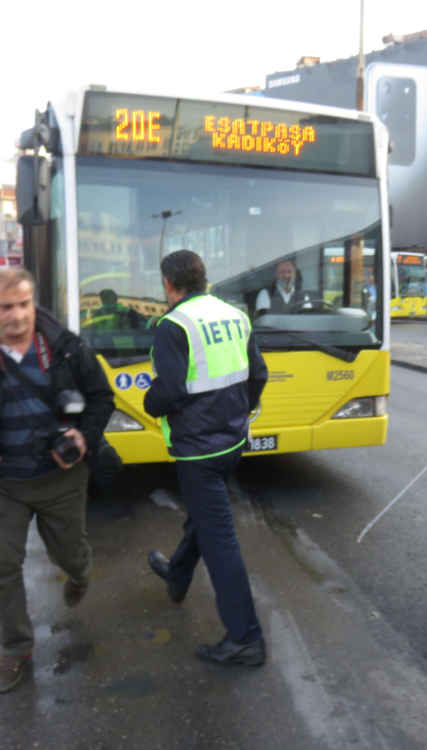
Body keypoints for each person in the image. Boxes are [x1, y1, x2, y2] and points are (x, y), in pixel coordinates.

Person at [0, 268, 114, 693]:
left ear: (34, 302)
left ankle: (78, 572)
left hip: (61, 478)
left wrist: (83, 435)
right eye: (5, 307)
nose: (17, 315)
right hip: (2, 484)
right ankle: (16, 648)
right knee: (1, 568)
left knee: (70, 554)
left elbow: (102, 397)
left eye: (24, 304)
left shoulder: (68, 349)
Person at [144, 250, 269, 666]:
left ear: (168, 285)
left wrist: (149, 400)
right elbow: (258, 374)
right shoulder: (235, 315)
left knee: (220, 542)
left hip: (197, 451)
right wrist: (240, 413)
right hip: (232, 445)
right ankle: (177, 574)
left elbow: (172, 391)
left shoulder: (173, 325)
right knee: (205, 518)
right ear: (203, 278)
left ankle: (245, 637)